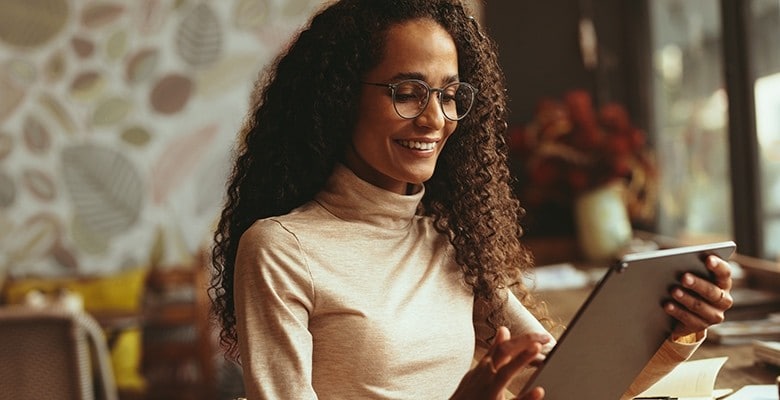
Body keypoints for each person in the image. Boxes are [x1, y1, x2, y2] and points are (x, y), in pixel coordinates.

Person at [209, 1, 734, 399]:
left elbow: (569, 387)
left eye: (450, 94)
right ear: (339, 99)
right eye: (407, 92)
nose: (436, 119)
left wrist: (680, 330)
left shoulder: (449, 238)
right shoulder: (281, 249)